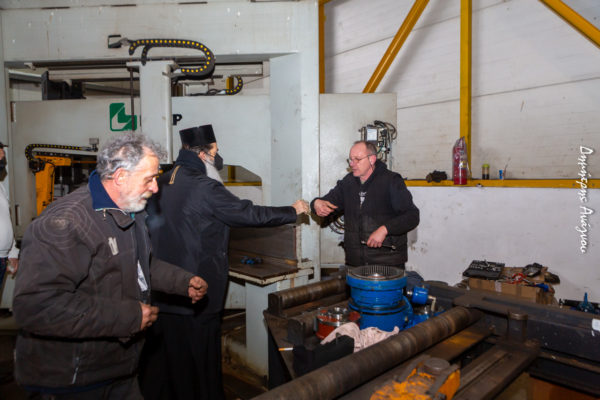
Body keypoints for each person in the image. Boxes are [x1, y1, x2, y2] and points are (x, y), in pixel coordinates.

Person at [13, 133, 208, 399]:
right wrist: (128, 317)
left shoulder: (129, 211)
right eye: (149, 179)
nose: (155, 188)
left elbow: (140, 265)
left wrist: (181, 281)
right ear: (120, 177)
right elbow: (37, 306)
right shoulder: (66, 223)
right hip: (72, 379)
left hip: (119, 370)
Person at [140, 124, 310, 400]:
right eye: (215, 151)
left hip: (163, 289)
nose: (217, 158)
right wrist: (291, 210)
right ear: (203, 154)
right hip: (197, 291)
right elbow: (248, 213)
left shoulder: (160, 181)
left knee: (169, 364)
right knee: (202, 366)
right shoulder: (204, 187)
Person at [311, 140, 419, 268]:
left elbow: (412, 216)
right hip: (355, 263)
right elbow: (327, 202)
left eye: (357, 159)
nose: (352, 164)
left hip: (387, 262)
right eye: (350, 160)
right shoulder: (348, 182)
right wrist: (316, 203)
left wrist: (385, 229)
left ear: (372, 159)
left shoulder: (391, 181)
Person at [0, 143, 19, 285]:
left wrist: (12, 253)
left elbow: (5, 219)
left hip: (2, 257)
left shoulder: (0, 187)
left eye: (2, 159)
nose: (2, 163)